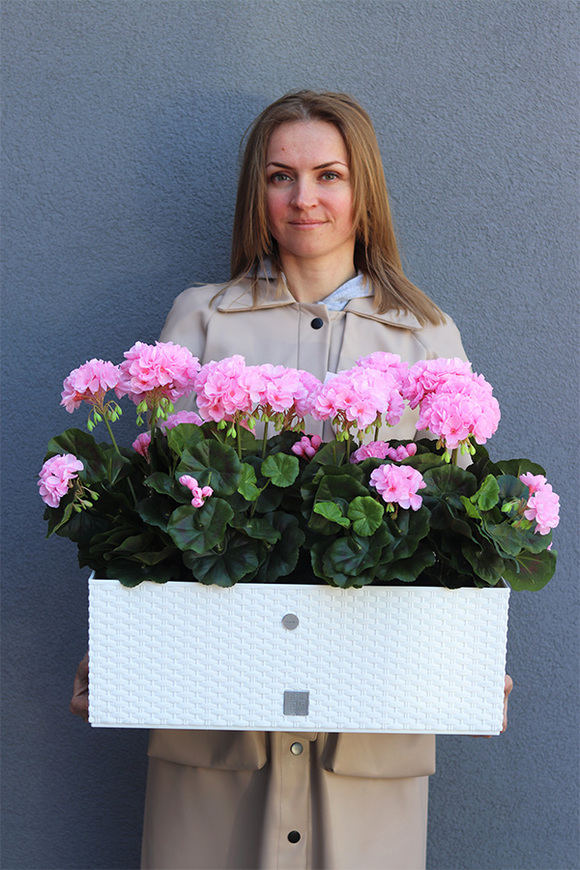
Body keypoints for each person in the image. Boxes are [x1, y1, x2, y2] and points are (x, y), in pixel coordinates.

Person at [71, 90, 513, 870]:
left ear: (363, 189)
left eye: (328, 175)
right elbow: (151, 506)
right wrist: (114, 642)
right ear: (258, 192)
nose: (304, 198)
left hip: (367, 721)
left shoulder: (426, 333)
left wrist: (471, 658)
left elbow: (461, 525)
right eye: (280, 176)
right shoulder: (203, 320)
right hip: (218, 721)